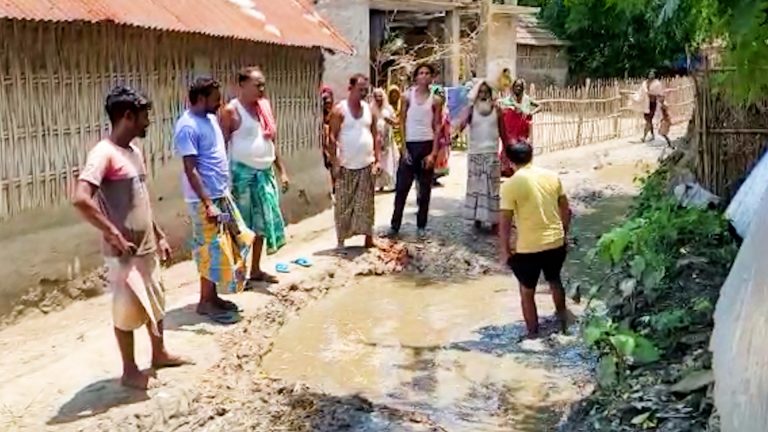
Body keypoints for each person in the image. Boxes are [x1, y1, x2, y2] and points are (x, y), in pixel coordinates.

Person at [73, 86, 191, 390]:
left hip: (146, 246)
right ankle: (129, 370)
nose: (148, 121)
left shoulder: (134, 153)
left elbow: (141, 197)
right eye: (144, 115)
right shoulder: (103, 154)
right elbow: (81, 198)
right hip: (123, 252)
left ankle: (159, 353)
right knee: (126, 311)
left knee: (156, 299)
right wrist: (112, 233)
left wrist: (159, 234)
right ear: (127, 116)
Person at [174, 77, 255, 324]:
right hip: (204, 200)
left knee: (230, 242)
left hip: (221, 194)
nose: (220, 103)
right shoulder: (187, 126)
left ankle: (213, 296)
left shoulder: (209, 119)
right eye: (215, 99)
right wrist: (208, 203)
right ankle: (205, 301)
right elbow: (191, 169)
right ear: (200, 99)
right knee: (209, 248)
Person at [219, 66, 290, 285]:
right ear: (242, 85)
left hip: (264, 173)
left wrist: (282, 171)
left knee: (262, 223)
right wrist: (223, 180)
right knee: (242, 227)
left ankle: (256, 269)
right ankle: (240, 272)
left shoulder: (263, 108)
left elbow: (270, 141)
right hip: (242, 177)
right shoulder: (231, 111)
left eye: (263, 85)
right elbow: (221, 146)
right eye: (257, 85)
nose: (261, 89)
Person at [498, 142, 571, 339]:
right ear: (531, 156)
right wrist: (563, 233)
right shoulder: (552, 177)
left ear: (509, 160)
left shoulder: (510, 186)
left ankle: (532, 334)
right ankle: (563, 320)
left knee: (526, 291)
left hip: (529, 248)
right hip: (556, 242)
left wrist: (505, 251)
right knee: (555, 280)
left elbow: (504, 223)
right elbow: (566, 209)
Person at [328, 74, 381, 248]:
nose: (363, 93)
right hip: (346, 165)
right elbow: (331, 137)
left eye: (366, 90)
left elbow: (375, 136)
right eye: (360, 90)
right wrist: (335, 163)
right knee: (344, 203)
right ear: (350, 89)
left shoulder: (369, 110)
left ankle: (368, 238)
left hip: (366, 163)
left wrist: (377, 160)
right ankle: (341, 241)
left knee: (366, 204)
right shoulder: (339, 110)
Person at [388, 63, 442, 238]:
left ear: (431, 77)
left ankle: (421, 225)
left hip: (426, 144)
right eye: (421, 73)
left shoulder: (436, 100)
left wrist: (433, 153)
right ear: (416, 76)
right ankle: (395, 225)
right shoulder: (406, 97)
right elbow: (401, 122)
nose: (424, 76)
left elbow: (437, 126)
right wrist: (403, 149)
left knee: (424, 189)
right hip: (410, 144)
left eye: (427, 73)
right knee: (402, 188)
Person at [456, 79, 506, 231]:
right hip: (475, 154)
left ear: (491, 94)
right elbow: (460, 125)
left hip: (491, 154)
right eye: (481, 92)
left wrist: (508, 151)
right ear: (477, 94)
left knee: (493, 188)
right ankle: (477, 218)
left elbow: (504, 133)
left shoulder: (497, 110)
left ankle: (494, 221)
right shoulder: (471, 110)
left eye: (486, 92)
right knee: (476, 187)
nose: (483, 95)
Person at [499, 78, 540, 177]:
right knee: (509, 147)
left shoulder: (527, 99)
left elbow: (539, 106)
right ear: (513, 87)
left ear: (523, 88)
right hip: (511, 130)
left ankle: (519, 169)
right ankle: (506, 169)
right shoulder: (508, 100)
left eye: (520, 86)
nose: (518, 88)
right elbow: (501, 107)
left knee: (520, 148)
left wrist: (531, 112)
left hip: (522, 130)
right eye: (516, 86)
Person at [370, 87, 398, 192]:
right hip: (376, 140)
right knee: (379, 161)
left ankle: (390, 183)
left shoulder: (388, 109)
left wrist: (389, 120)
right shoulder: (371, 109)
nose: (378, 99)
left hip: (387, 140)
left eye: (380, 96)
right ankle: (379, 184)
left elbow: (396, 122)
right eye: (376, 96)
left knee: (389, 161)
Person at [431, 84, 452, 186]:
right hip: (435, 138)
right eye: (439, 94)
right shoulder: (431, 109)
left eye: (442, 94)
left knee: (442, 158)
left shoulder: (445, 109)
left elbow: (447, 125)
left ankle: (435, 177)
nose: (441, 96)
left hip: (443, 138)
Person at [641, 71, 664, 142]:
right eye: (650, 74)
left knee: (649, 119)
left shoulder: (657, 84)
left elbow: (659, 93)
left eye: (652, 74)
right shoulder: (645, 83)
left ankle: (644, 136)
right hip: (646, 103)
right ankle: (652, 135)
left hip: (653, 103)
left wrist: (651, 94)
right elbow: (642, 91)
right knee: (647, 119)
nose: (651, 75)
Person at [321, 85, 336, 191]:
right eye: (325, 103)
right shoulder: (319, 115)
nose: (328, 105)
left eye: (329, 103)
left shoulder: (335, 113)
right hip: (323, 144)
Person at [387, 85, 405, 154]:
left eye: (396, 93)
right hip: (390, 136)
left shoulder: (402, 107)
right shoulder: (387, 108)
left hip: (401, 136)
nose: (394, 95)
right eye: (392, 93)